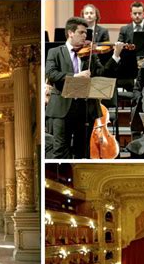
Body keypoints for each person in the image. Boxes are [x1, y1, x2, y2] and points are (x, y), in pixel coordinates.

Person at [45, 16, 124, 158]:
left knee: (83, 151)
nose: (85, 36)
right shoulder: (55, 52)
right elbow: (51, 74)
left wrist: (115, 55)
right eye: (81, 32)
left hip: (85, 108)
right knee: (60, 150)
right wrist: (75, 77)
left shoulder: (89, 54)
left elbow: (102, 73)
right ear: (70, 33)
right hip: (62, 108)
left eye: (86, 33)